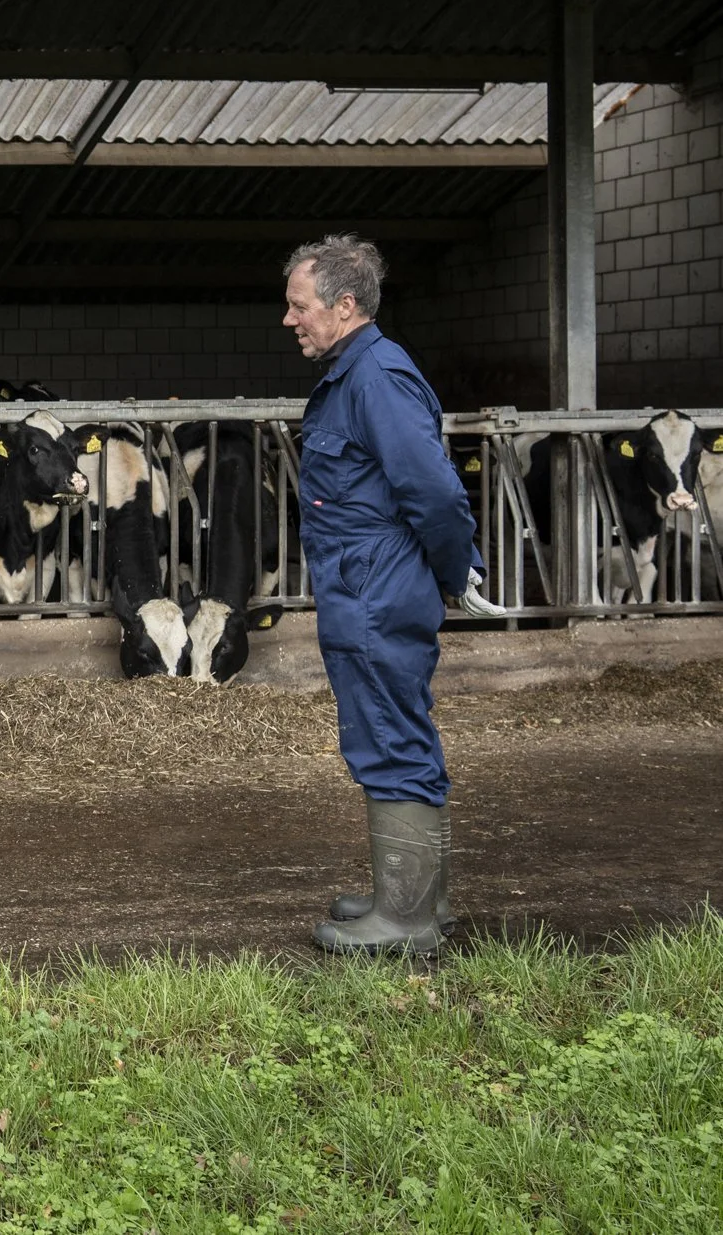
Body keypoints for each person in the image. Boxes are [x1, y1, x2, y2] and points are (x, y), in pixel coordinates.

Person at [282, 234, 487, 956]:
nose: (289, 318)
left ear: (344, 305)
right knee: (393, 730)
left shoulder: (376, 378)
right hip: (366, 586)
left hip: (376, 590)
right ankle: (416, 900)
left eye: (299, 305)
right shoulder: (356, 372)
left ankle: (404, 920)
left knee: (389, 738)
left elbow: (434, 490)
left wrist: (459, 569)